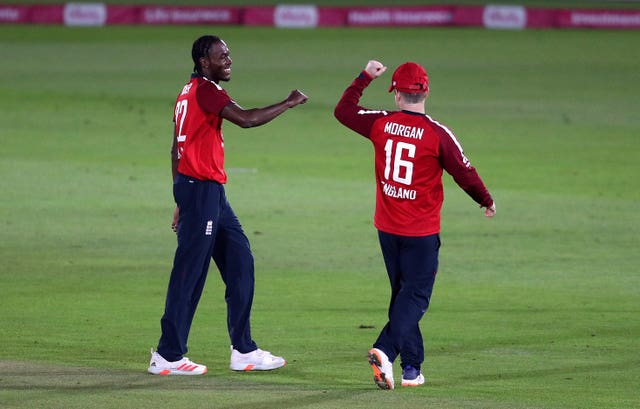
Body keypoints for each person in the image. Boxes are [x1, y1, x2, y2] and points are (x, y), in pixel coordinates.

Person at [148, 35, 308, 376]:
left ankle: (244, 350)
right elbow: (247, 119)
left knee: (240, 263)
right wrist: (288, 103)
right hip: (202, 192)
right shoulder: (206, 91)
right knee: (189, 273)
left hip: (208, 193)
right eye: (223, 56)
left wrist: (180, 196)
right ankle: (168, 354)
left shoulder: (187, 93)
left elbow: (175, 150)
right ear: (205, 62)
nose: (229, 61)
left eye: (229, 55)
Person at [334, 60, 495, 389]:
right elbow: (464, 172)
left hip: (387, 229)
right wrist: (485, 199)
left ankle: (411, 368)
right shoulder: (437, 134)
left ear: (396, 95)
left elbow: (343, 110)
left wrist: (364, 77)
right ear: (426, 92)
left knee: (402, 296)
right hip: (420, 232)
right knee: (416, 297)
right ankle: (385, 349)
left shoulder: (381, 123)